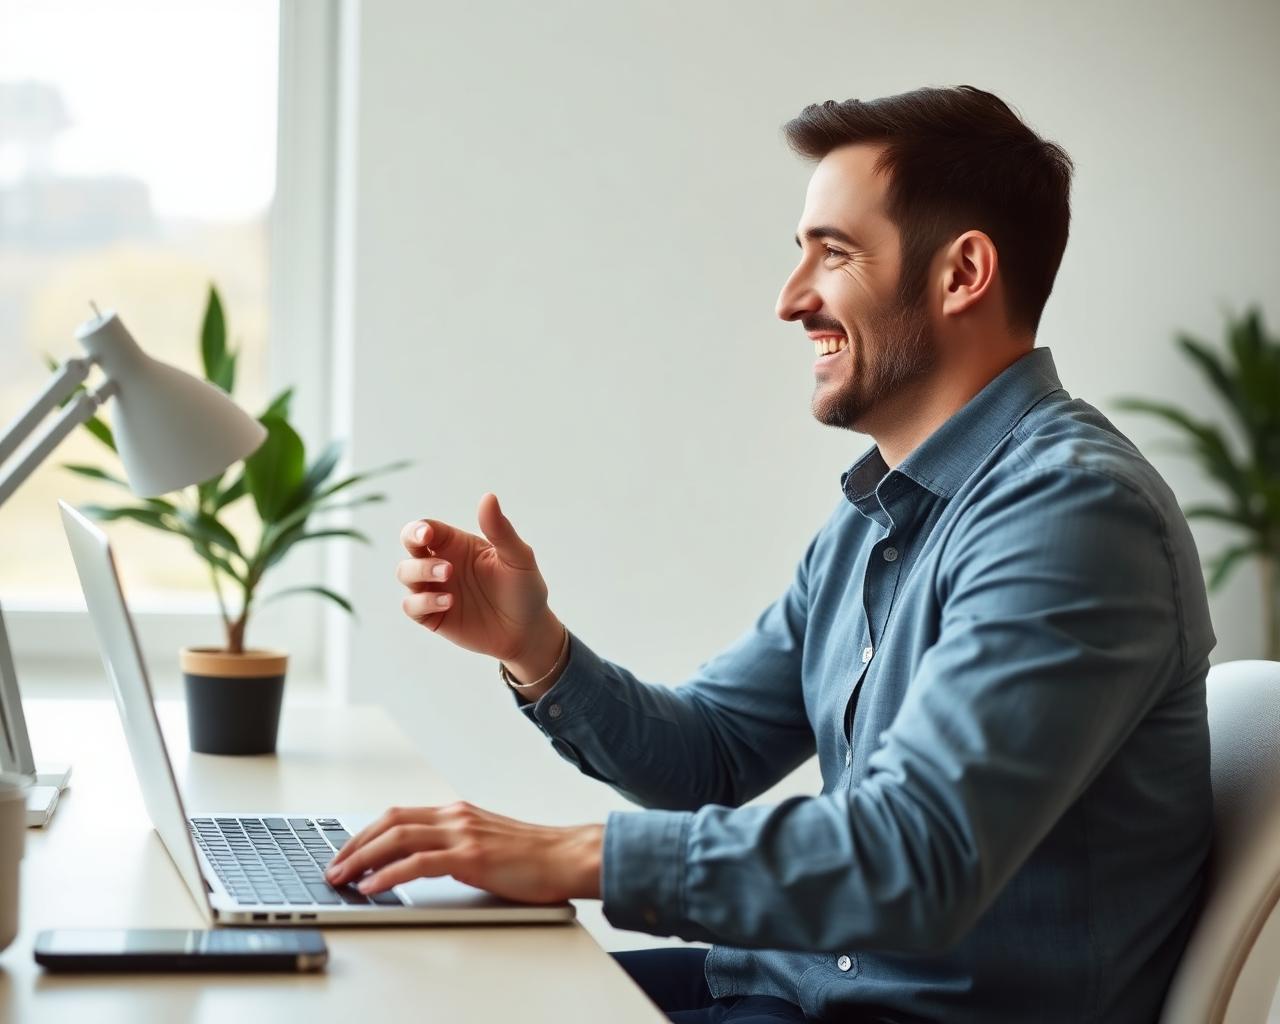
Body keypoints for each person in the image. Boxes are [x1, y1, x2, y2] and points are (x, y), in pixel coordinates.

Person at [324, 85, 1215, 1023]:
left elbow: (916, 854)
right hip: (785, 988)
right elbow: (711, 753)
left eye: (833, 253)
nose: (792, 300)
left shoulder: (1072, 512)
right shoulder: (877, 519)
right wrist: (537, 650)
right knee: (410, 988)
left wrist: (567, 856)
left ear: (962, 274)